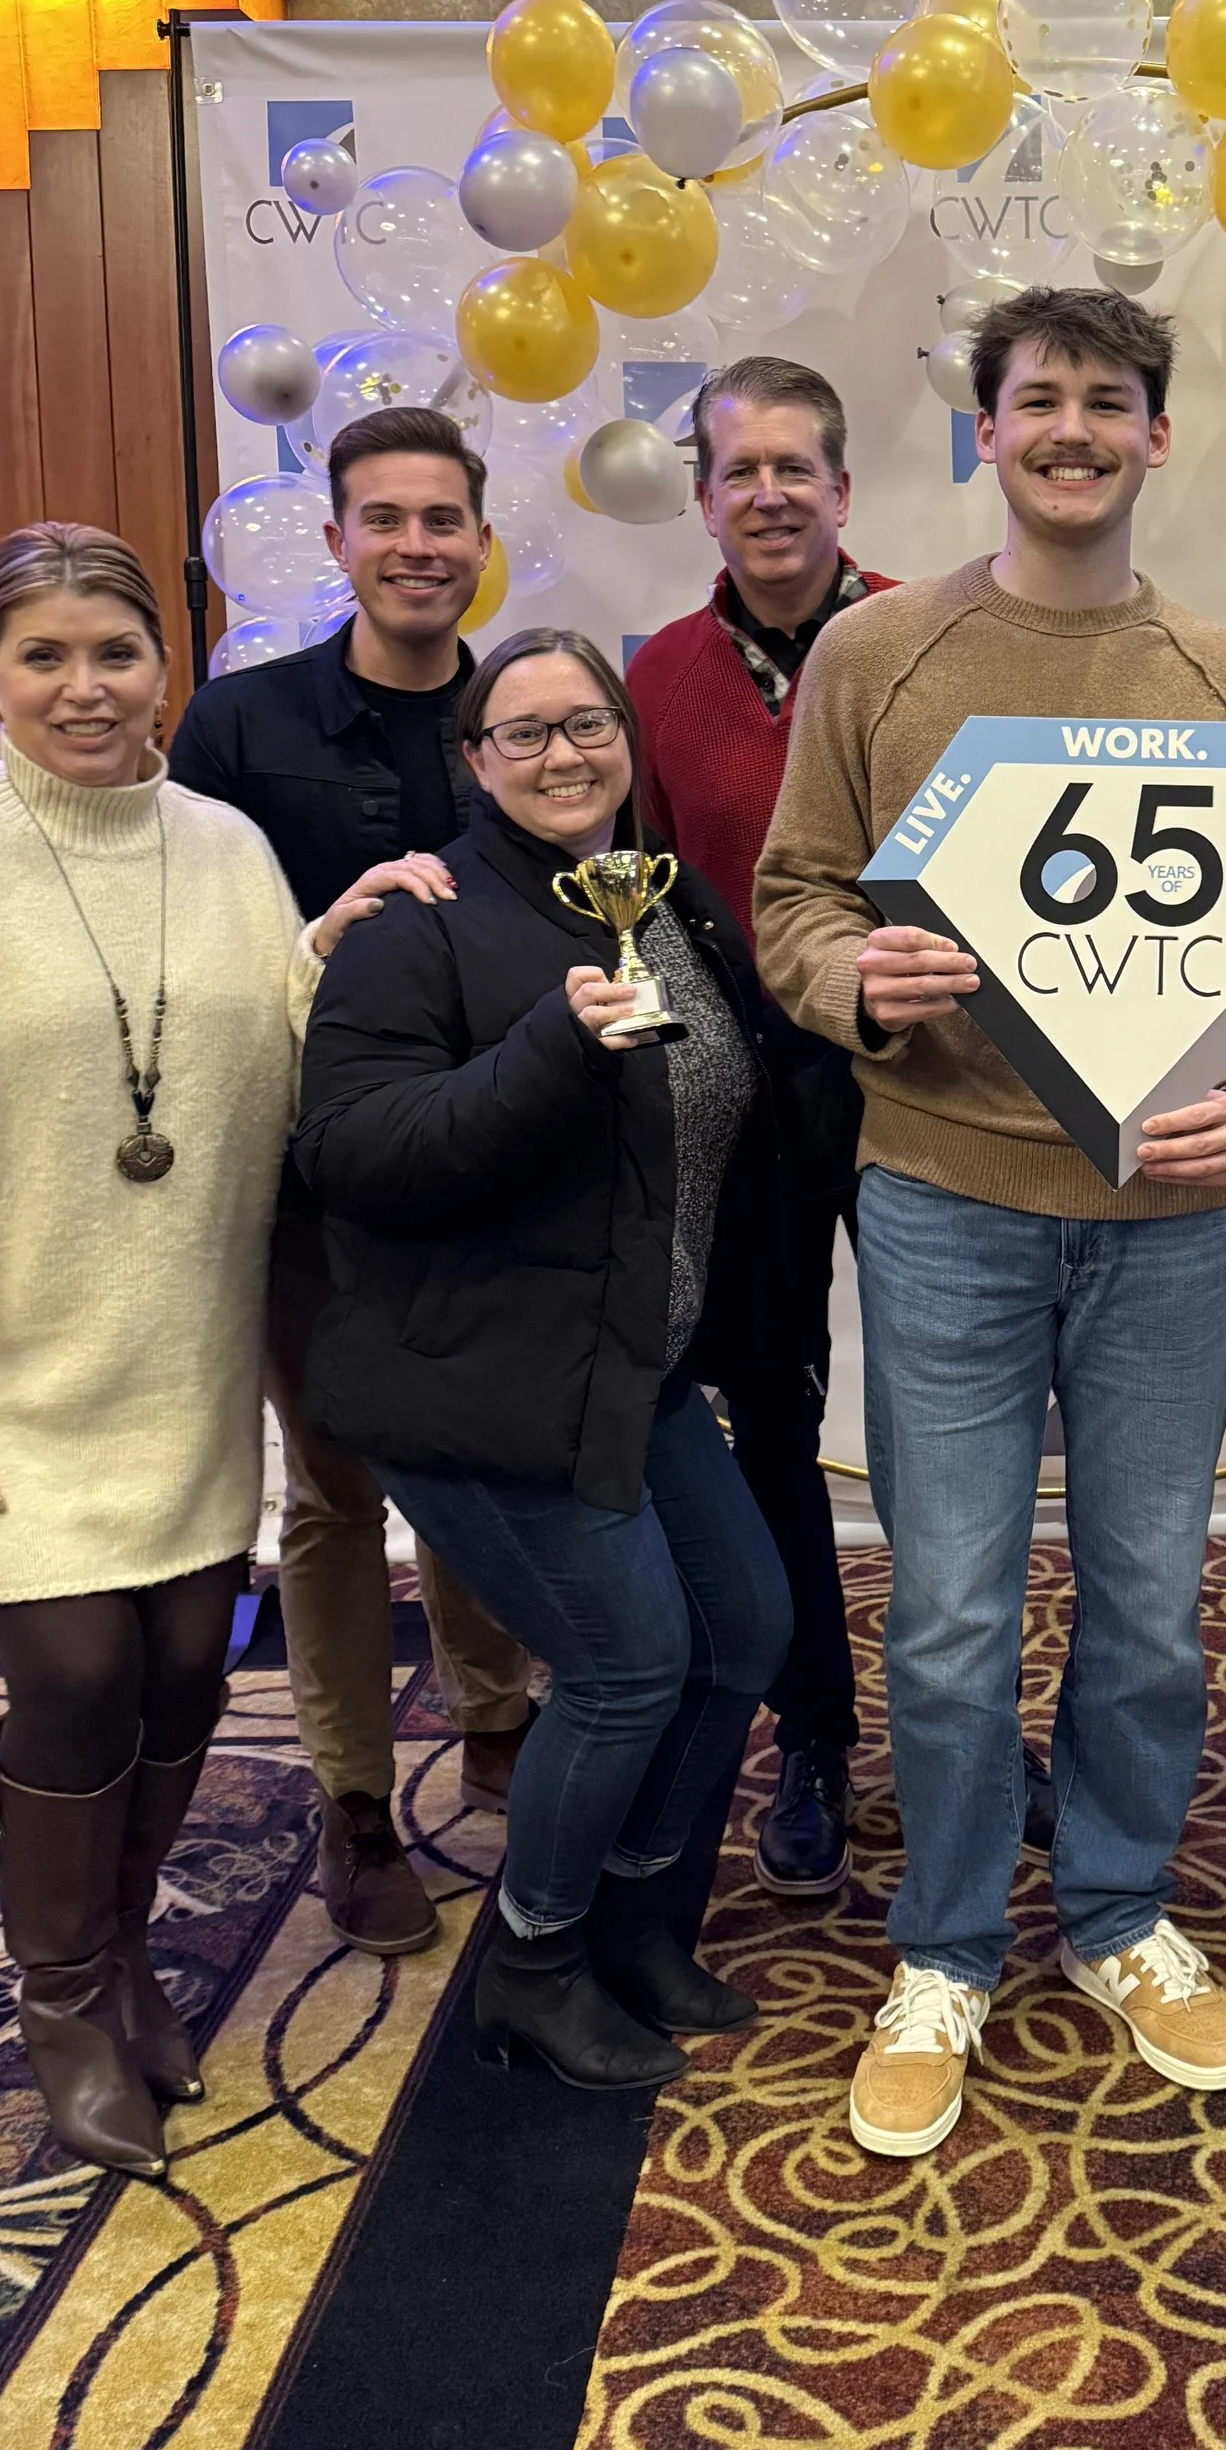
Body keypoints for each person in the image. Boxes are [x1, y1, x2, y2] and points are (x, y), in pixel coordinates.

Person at [0, 524, 434, 2179]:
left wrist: (338, 955)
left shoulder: (222, 846)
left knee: (177, 1673)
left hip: (181, 1359)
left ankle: (128, 1948)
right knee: (76, 1678)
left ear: (169, 669)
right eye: (45, 656)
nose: (85, 688)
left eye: (116, 653)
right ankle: (65, 1996)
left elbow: (267, 1058)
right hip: (4, 1370)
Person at [755, 284, 1226, 2161]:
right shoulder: (875, 658)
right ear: (984, 433)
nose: (1072, 430)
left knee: (1155, 1606)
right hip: (943, 1208)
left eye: (1109, 402)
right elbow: (792, 906)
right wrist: (862, 984)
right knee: (950, 1614)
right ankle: (946, 1947)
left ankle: (1124, 1914)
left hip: (1165, 1228)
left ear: (1159, 436)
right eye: (1036, 401)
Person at [293, 627, 794, 2091]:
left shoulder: (669, 902)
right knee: (632, 1663)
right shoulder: (419, 925)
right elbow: (353, 1155)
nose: (562, 755)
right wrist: (545, 1050)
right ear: (472, 762)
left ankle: (635, 1917)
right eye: (522, 734)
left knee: (742, 1633)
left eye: (587, 725)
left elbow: (736, 1113)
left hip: (630, 1372)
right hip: (472, 1382)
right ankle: (532, 1956)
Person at [169, 404, 535, 1957]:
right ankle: (356, 1799)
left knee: (472, 1474)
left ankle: (503, 1716)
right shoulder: (235, 728)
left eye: (440, 520)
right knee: (331, 1498)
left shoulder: (527, 721)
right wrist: (317, 940)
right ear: (335, 544)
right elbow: (185, 957)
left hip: (486, 1177)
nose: (414, 548)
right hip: (307, 1192)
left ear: (478, 540)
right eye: (382, 520)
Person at [628, 356, 893, 1896]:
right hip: (754, 1107)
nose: (771, 494)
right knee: (777, 1428)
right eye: (742, 471)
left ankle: (970, 1719)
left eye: (800, 467)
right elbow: (646, 902)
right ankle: (814, 1734)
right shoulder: (655, 676)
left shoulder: (932, 634)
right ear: (706, 495)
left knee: (945, 1430)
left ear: (844, 490)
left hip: (933, 1087)